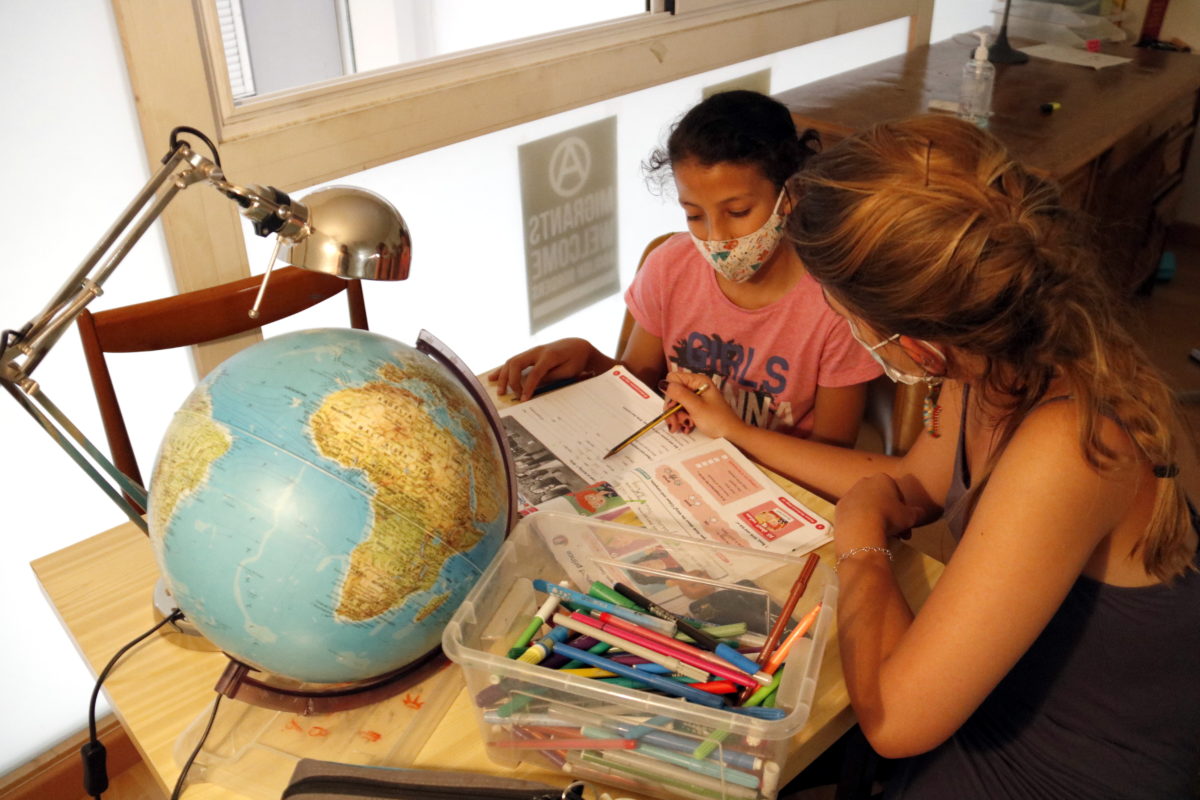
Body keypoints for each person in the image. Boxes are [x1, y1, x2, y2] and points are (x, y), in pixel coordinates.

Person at [665, 114, 1200, 798]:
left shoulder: (1069, 443)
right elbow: (912, 483)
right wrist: (735, 431)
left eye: (838, 309)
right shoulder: (988, 358)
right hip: (998, 694)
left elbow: (895, 719)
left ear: (912, 342)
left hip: (1063, 763)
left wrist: (858, 532)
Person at [489, 90, 881, 446]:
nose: (717, 237)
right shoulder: (671, 267)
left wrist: (735, 433)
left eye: (738, 212)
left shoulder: (836, 303)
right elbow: (638, 384)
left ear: (790, 193)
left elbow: (833, 450)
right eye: (694, 215)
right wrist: (589, 359)